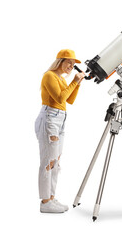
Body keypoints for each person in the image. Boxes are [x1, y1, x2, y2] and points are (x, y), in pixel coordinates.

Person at [35, 49, 85, 213]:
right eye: (69, 62)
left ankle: (51, 197)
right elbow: (60, 98)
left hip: (60, 119)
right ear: (60, 62)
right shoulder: (49, 75)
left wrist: (77, 84)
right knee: (48, 161)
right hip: (50, 118)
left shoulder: (62, 79)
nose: (71, 66)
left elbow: (69, 100)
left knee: (55, 161)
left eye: (73, 64)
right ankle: (45, 202)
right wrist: (74, 82)